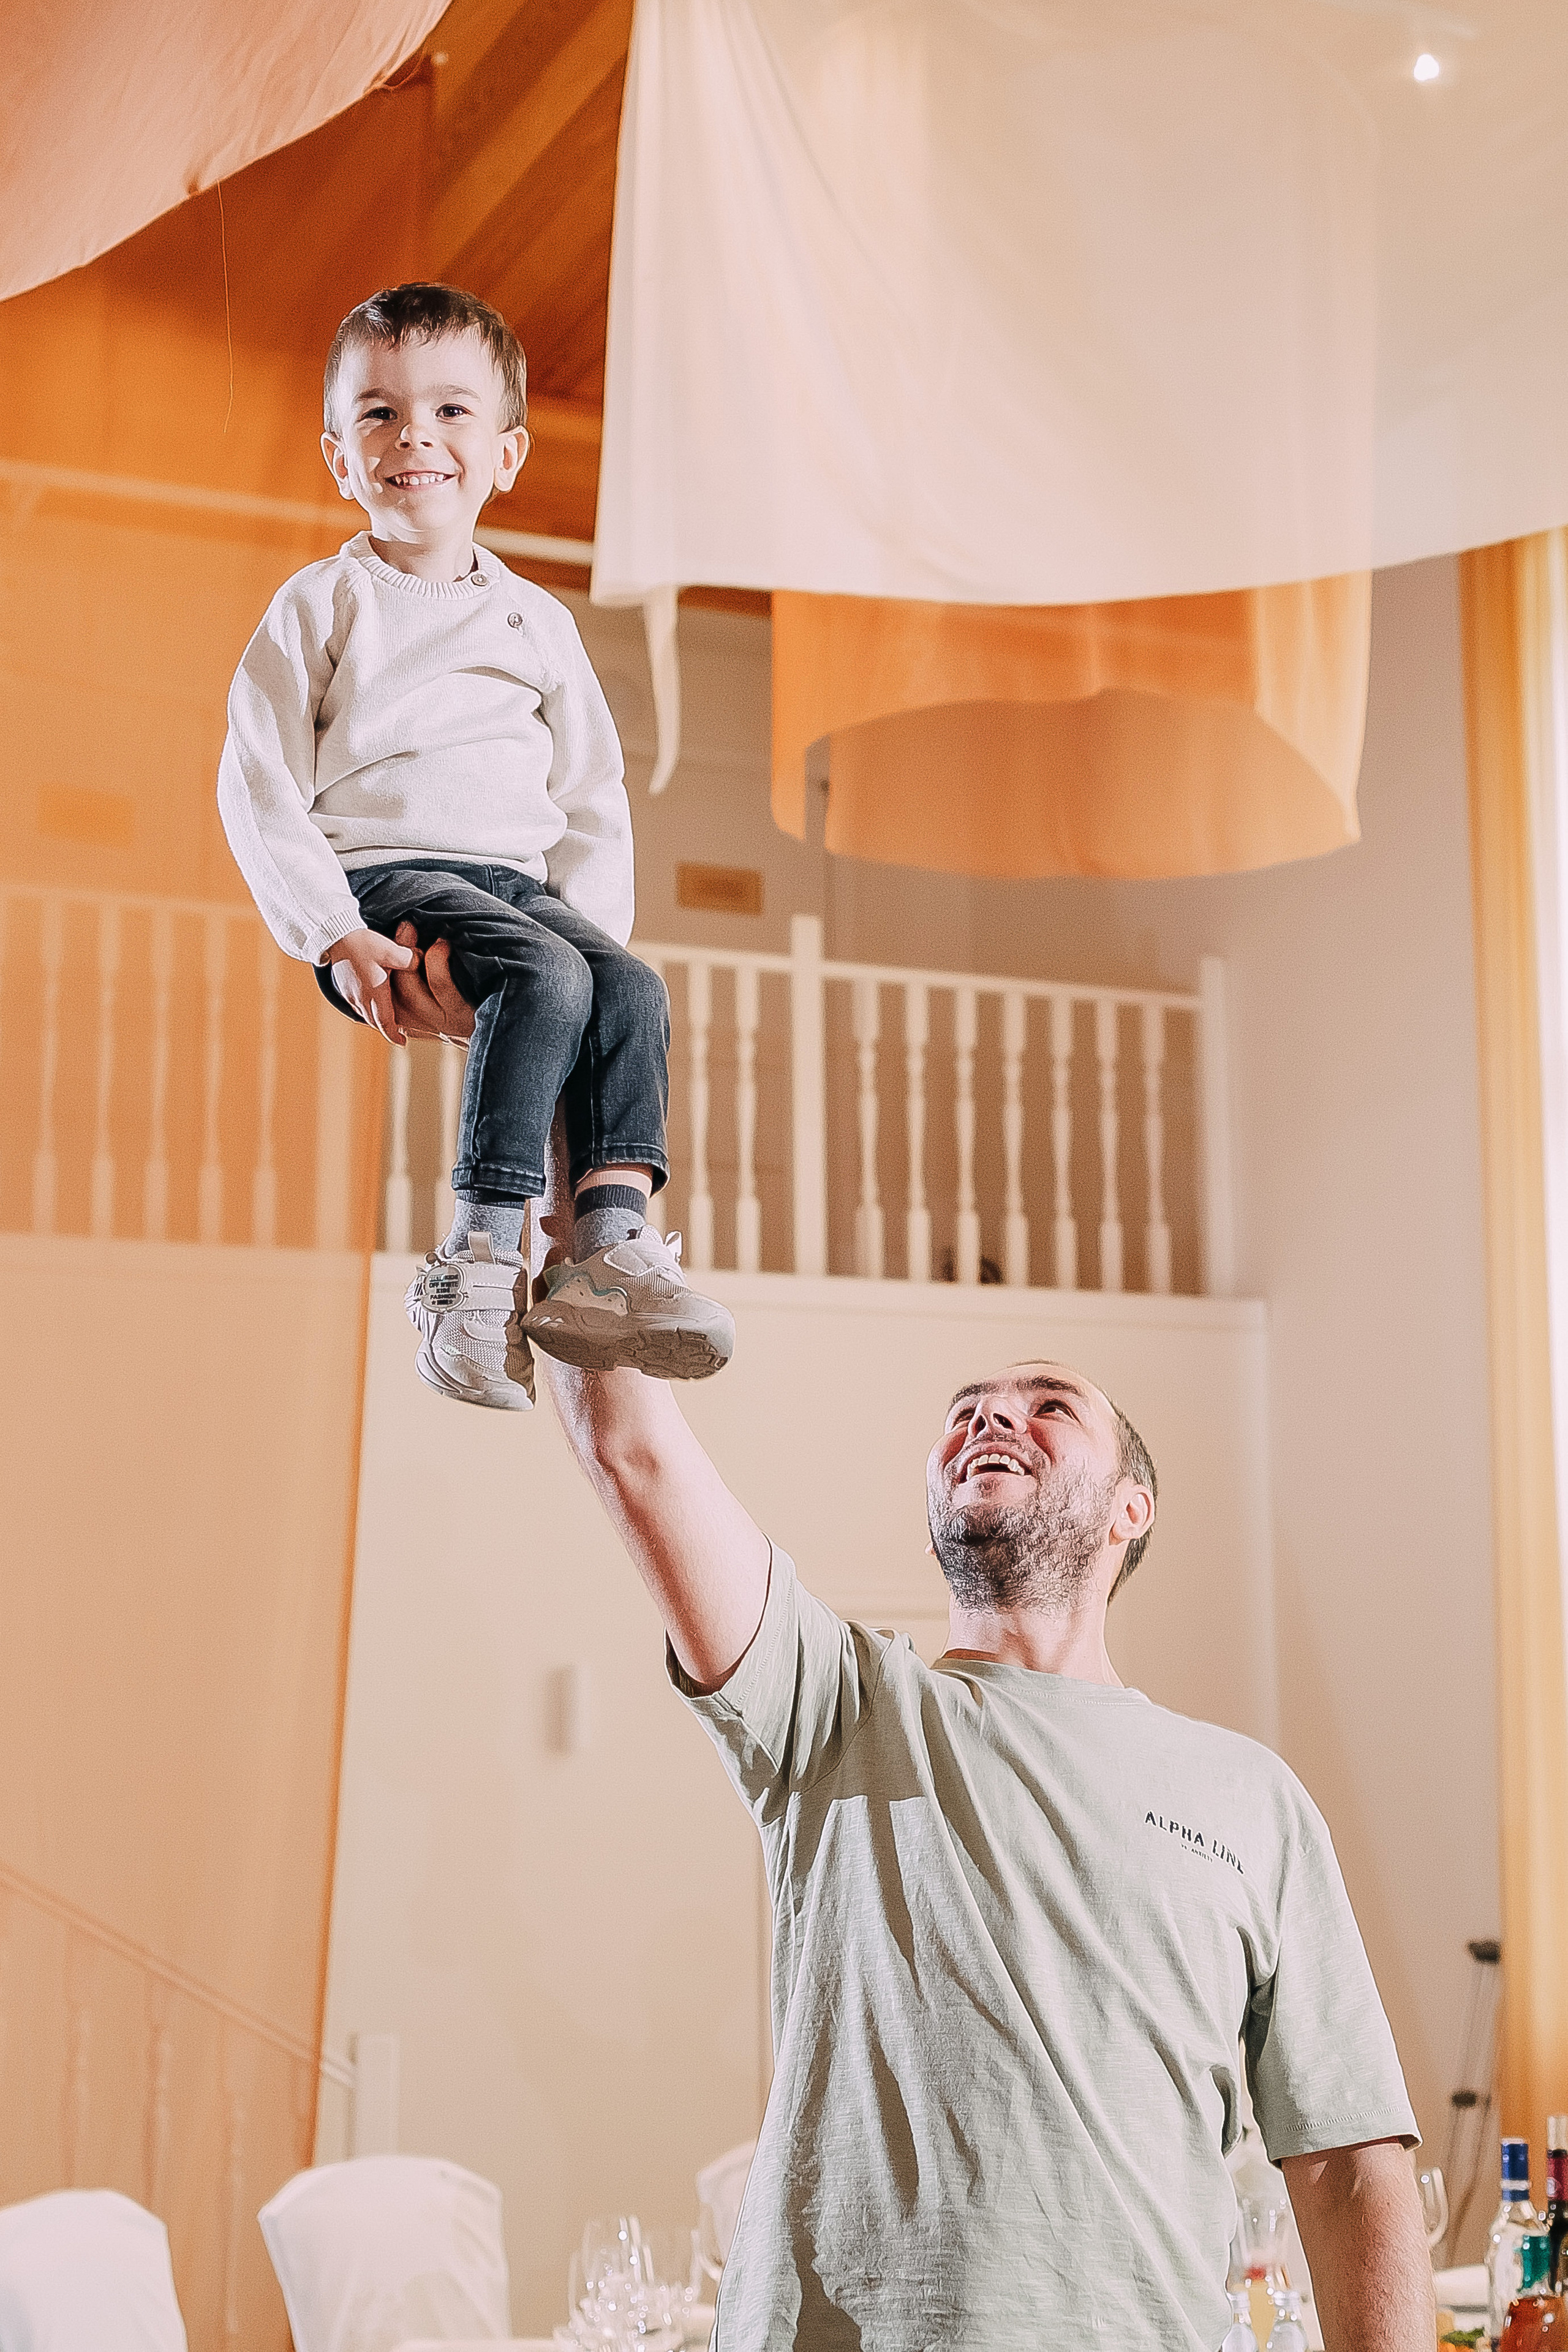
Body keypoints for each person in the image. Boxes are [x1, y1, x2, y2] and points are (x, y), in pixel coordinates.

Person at [390, 946, 1436, 2349]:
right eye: (963, 1406)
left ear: (1130, 1510)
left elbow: (1350, 2166)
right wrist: (551, 1037)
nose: (986, 1417)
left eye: (1045, 1402)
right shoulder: (834, 1705)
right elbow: (627, 1442)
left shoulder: (1254, 1800)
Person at [217, 281, 734, 1411]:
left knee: (629, 987)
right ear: (338, 455)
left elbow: (592, 792)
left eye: (452, 413)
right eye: (380, 414)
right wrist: (331, 930)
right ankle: (479, 1256)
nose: (416, 438)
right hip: (380, 871)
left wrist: (593, 949)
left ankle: (605, 1244)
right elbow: (256, 780)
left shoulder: (536, 621)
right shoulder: (322, 603)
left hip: (514, 886)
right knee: (548, 973)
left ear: (505, 454)